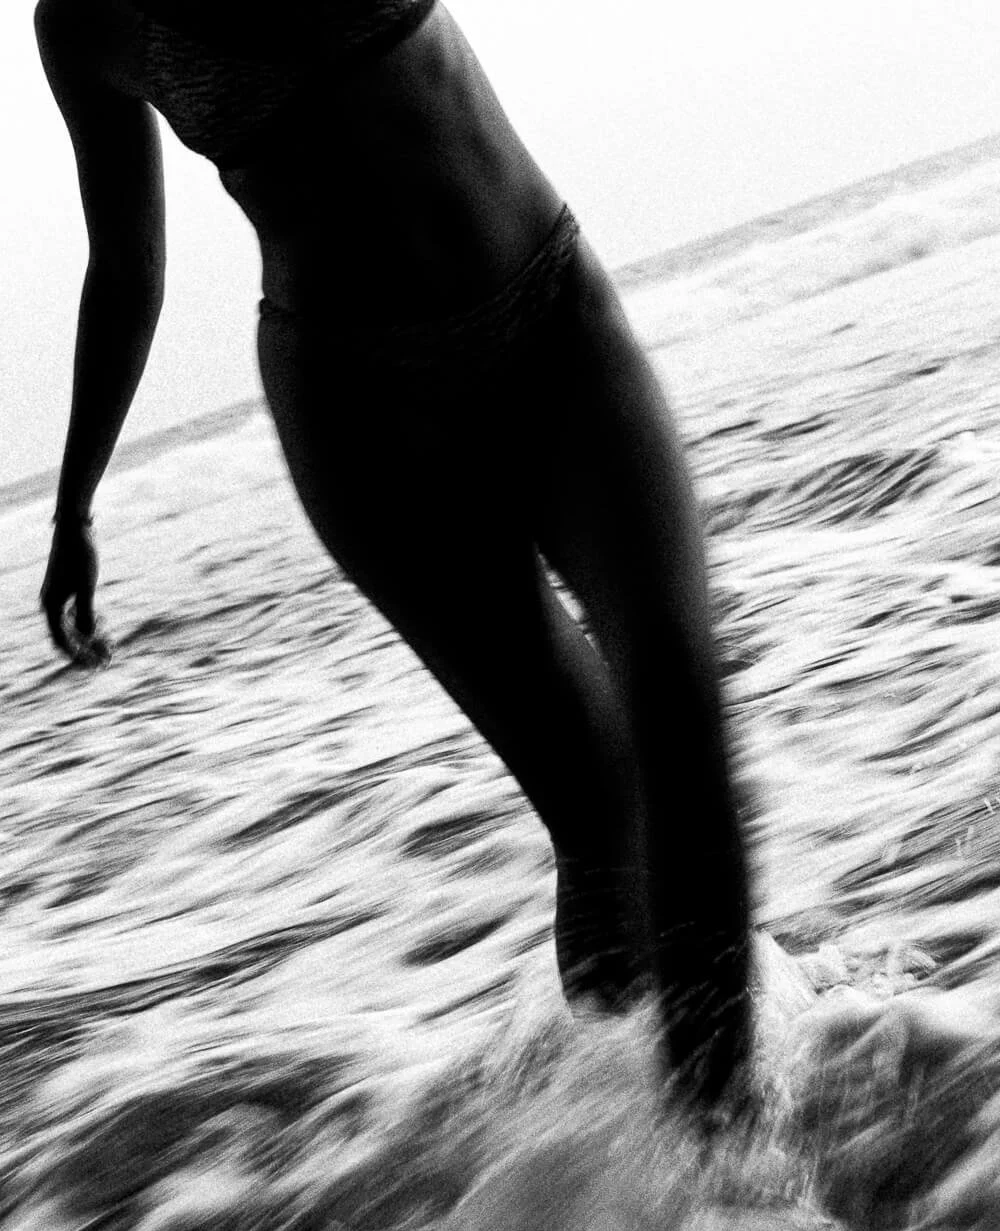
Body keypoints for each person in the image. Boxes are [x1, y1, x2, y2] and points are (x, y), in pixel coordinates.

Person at [35, 0, 754, 1121]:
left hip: (549, 313)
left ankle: (721, 1131)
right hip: (361, 408)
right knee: (597, 807)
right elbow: (125, 268)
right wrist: (72, 504)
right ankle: (639, 1174)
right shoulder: (85, 23)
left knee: (678, 695)